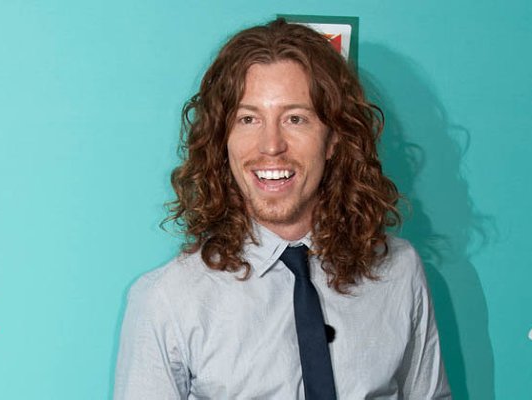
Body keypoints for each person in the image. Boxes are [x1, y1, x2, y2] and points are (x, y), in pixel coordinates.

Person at [114, 18, 451, 399]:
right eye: (248, 119)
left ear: (333, 139)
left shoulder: (399, 271)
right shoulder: (168, 298)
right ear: (222, 141)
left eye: (295, 118)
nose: (271, 145)